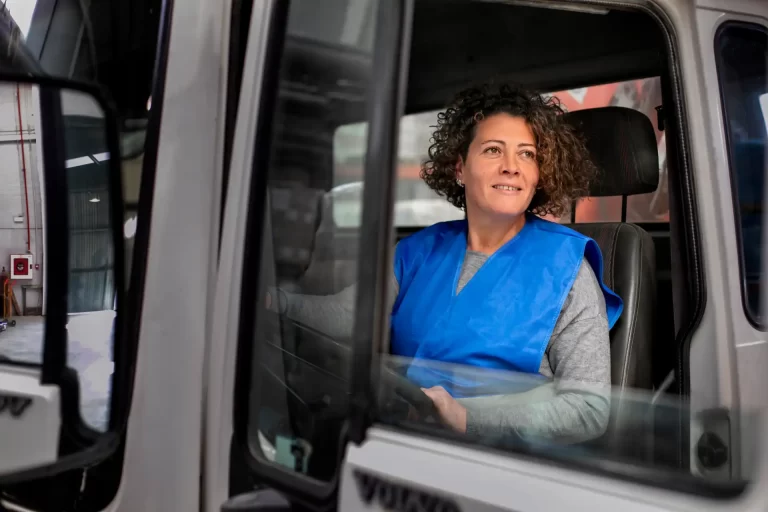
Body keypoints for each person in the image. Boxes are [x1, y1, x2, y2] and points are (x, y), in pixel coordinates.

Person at [267, 83, 623, 444]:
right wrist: (275, 302)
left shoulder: (567, 268)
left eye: (527, 154)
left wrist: (469, 419)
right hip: (402, 436)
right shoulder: (418, 250)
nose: (511, 168)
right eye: (493, 150)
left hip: (500, 458)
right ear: (460, 169)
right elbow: (350, 313)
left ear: (539, 173)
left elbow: (587, 409)